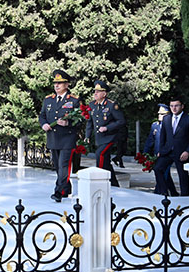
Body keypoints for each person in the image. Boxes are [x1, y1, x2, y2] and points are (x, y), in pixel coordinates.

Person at [38, 69, 82, 202]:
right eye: (55, 83)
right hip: (53, 138)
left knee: (64, 166)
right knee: (58, 167)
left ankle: (58, 192)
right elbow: (42, 115)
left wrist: (68, 123)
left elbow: (81, 119)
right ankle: (66, 189)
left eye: (60, 83)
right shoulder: (48, 100)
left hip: (67, 138)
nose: (57, 86)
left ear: (67, 85)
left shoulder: (74, 100)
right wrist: (44, 124)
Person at [85, 80, 126, 187]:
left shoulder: (112, 105)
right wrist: (87, 136)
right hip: (99, 138)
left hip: (110, 137)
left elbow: (121, 121)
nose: (95, 93)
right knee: (106, 161)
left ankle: (99, 179)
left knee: (100, 154)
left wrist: (107, 128)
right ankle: (114, 183)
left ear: (104, 94)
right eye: (95, 91)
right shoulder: (92, 105)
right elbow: (90, 122)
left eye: (98, 91)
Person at [154, 98, 189, 197]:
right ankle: (165, 192)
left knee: (182, 175)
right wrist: (161, 150)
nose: (174, 108)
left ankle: (184, 197)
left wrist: (187, 151)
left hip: (182, 152)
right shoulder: (166, 118)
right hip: (167, 151)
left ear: (182, 106)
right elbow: (163, 136)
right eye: (172, 106)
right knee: (157, 169)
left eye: (176, 105)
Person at [144, 103, 177, 196]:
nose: (160, 116)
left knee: (163, 172)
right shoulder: (155, 125)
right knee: (164, 174)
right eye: (159, 114)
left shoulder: (172, 126)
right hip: (157, 154)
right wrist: (145, 153)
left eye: (162, 114)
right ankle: (173, 192)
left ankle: (159, 192)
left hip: (168, 154)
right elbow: (150, 140)